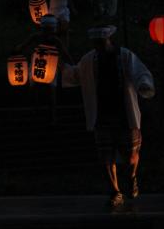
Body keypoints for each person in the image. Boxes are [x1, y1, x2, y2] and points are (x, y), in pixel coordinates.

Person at [62, 26, 155, 207]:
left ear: (109, 40)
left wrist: (144, 84)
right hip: (102, 114)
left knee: (131, 154)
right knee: (106, 157)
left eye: (101, 42)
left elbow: (139, 72)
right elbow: (76, 74)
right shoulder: (90, 59)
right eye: (96, 43)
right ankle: (115, 191)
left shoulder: (124, 56)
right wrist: (60, 67)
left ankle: (131, 177)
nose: (99, 46)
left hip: (124, 113)